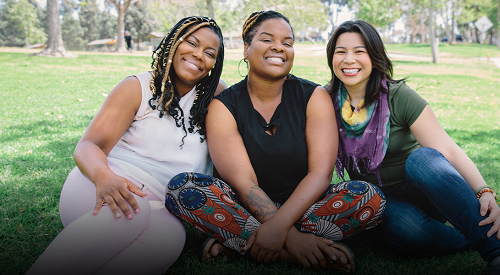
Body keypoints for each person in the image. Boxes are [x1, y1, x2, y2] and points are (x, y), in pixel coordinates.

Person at [165, 11, 385, 274]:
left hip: (307, 207)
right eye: (267, 39)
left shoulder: (313, 96)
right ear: (246, 48)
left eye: (287, 42)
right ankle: (301, 250)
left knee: (370, 199)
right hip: (243, 207)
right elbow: (244, 182)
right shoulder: (224, 106)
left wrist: (280, 226)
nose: (279, 47)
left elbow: (321, 173)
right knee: (183, 188)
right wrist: (291, 237)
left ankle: (237, 240)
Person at [27, 16, 226, 275]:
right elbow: (88, 145)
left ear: (214, 64)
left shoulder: (216, 96)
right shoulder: (137, 87)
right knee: (135, 210)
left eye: (209, 53)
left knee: (170, 239)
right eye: (191, 43)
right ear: (173, 43)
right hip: (102, 187)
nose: (199, 55)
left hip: (165, 209)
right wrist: (104, 178)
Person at [325, 19, 500, 274]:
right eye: (341, 52)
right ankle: (464, 238)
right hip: (380, 200)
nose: (349, 60)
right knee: (405, 229)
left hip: (422, 187)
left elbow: (447, 150)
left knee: (423, 158)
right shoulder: (324, 102)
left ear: (374, 56)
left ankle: (495, 250)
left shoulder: (398, 95)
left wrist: (483, 191)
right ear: (332, 58)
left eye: (359, 51)